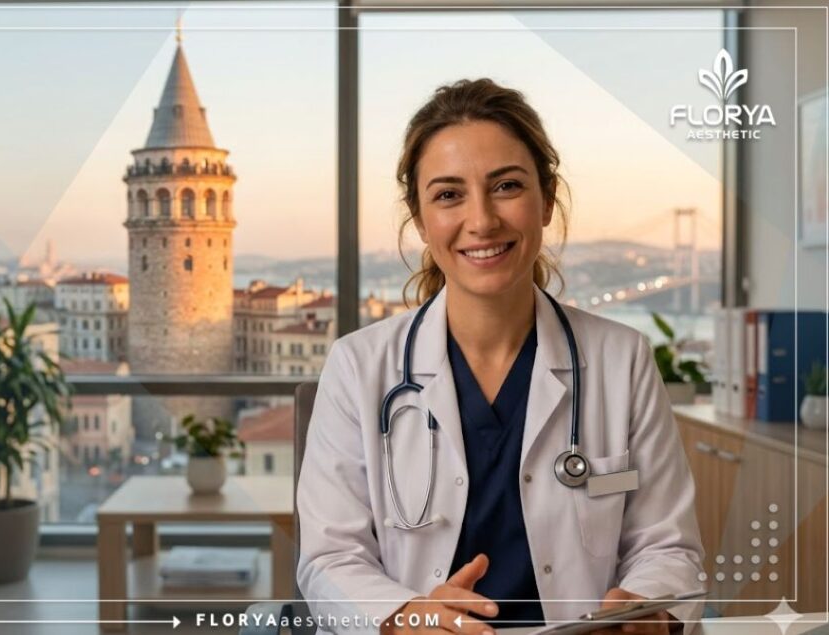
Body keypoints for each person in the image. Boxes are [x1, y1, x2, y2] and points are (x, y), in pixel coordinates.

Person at [295, 78, 705, 635]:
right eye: (448, 195)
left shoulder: (620, 360)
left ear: (547, 200)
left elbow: (667, 545)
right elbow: (328, 558)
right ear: (420, 219)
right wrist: (399, 616)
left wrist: (646, 609)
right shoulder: (358, 367)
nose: (482, 220)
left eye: (507, 186)